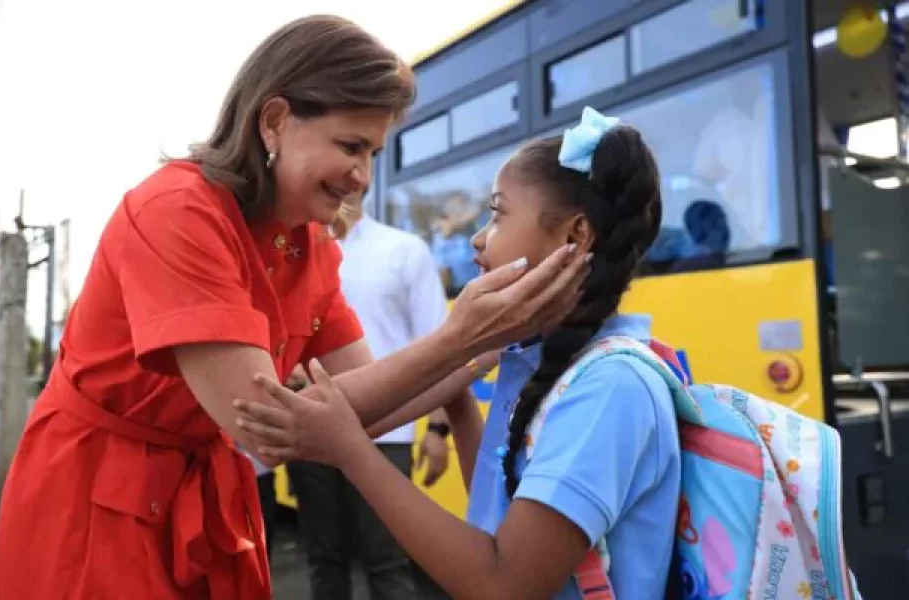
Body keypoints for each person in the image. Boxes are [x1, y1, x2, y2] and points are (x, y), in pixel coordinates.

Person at [0, 15, 590, 600]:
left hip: (199, 495)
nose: (363, 177)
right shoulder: (177, 211)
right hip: (95, 503)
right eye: (351, 146)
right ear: (274, 121)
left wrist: (491, 338)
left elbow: (370, 404)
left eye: (375, 152)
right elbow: (260, 420)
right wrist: (464, 338)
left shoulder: (308, 249)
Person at [235, 107, 679, 600]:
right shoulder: (536, 358)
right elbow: (496, 515)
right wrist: (458, 398)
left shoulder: (610, 386)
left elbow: (503, 582)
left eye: (498, 213)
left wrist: (352, 452)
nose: (476, 238)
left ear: (574, 236)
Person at [287, 188, 453, 600]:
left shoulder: (403, 249)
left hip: (386, 432)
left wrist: (438, 429)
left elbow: (436, 341)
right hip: (312, 430)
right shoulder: (292, 252)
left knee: (388, 562)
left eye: (362, 152)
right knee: (324, 560)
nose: (351, 169)